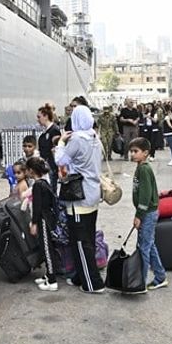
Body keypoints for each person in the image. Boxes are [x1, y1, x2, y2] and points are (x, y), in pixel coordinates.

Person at [55, 105, 105, 293]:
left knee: (80, 241)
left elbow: (61, 161)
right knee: (88, 238)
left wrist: (61, 143)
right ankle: (79, 276)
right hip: (93, 193)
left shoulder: (76, 139)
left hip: (78, 196)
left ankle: (92, 283)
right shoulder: (94, 137)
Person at [129, 137, 168, 290]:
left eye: (136, 151)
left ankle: (140, 282)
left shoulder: (144, 169)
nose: (132, 154)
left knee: (144, 248)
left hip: (147, 213)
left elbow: (145, 195)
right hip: (147, 212)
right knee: (149, 244)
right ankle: (160, 276)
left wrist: (139, 215)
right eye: (131, 151)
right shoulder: (140, 166)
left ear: (145, 153)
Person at [26, 157, 61, 292]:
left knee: (47, 249)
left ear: (31, 171)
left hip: (43, 219)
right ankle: (48, 274)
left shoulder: (37, 185)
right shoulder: (45, 183)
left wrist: (34, 223)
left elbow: (37, 207)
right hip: (49, 218)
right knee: (46, 247)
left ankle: (52, 280)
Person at [36, 103, 62, 192]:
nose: (38, 120)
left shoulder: (54, 130)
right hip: (45, 165)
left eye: (39, 117)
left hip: (51, 165)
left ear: (46, 116)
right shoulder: (45, 131)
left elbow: (56, 148)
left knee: (51, 190)